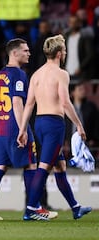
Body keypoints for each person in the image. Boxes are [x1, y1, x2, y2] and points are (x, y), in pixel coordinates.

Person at [17, 34, 92, 221]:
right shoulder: (61, 74)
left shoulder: (36, 74)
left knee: (59, 166)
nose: (65, 53)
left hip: (39, 124)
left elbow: (28, 105)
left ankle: (76, 208)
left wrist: (23, 129)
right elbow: (66, 103)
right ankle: (31, 209)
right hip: (54, 125)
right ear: (59, 54)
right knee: (44, 167)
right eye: (65, 50)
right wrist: (79, 125)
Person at [0, 38, 57, 221]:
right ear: (14, 53)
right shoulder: (18, 74)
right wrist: (23, 129)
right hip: (14, 126)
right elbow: (17, 102)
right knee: (31, 164)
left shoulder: (1, 74)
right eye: (25, 50)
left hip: (0, 126)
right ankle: (34, 209)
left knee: (0, 167)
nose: (29, 53)